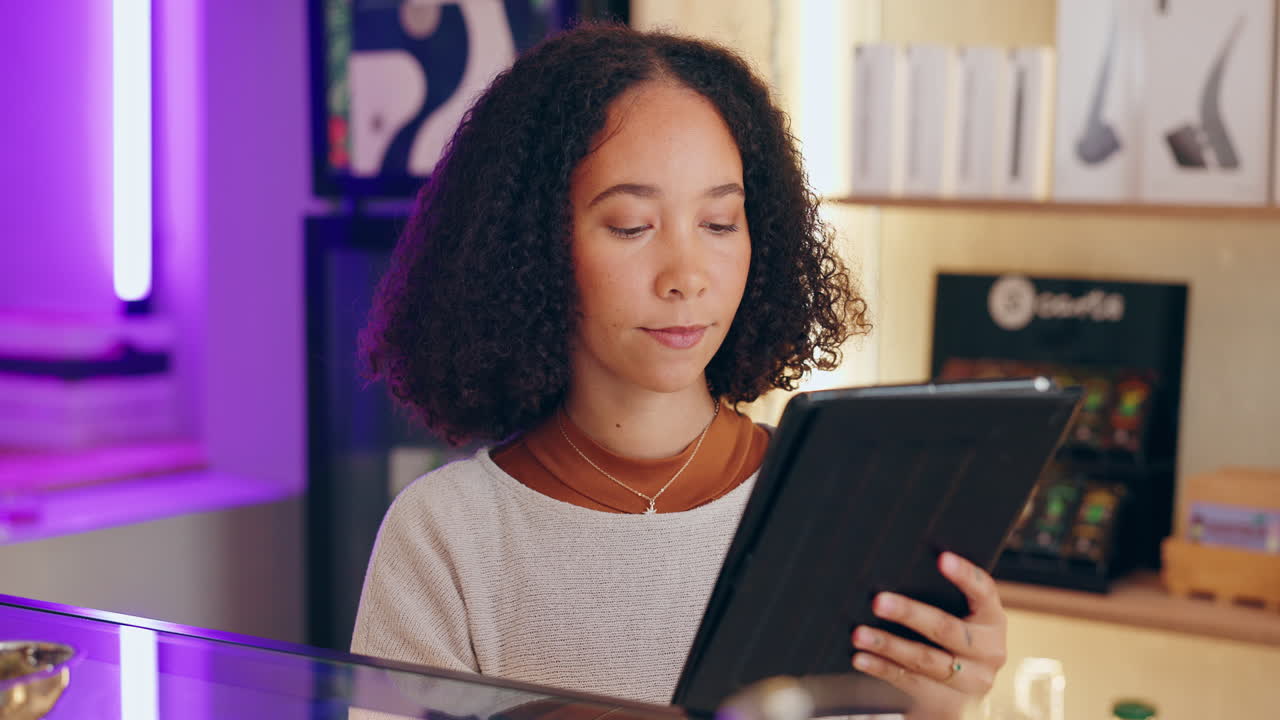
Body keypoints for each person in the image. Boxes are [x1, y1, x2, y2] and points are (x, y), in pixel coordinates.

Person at [353, 21, 1008, 720]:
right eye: (632, 226)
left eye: (720, 224)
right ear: (534, 245)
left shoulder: (847, 508)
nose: (687, 276)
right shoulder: (444, 533)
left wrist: (940, 705)